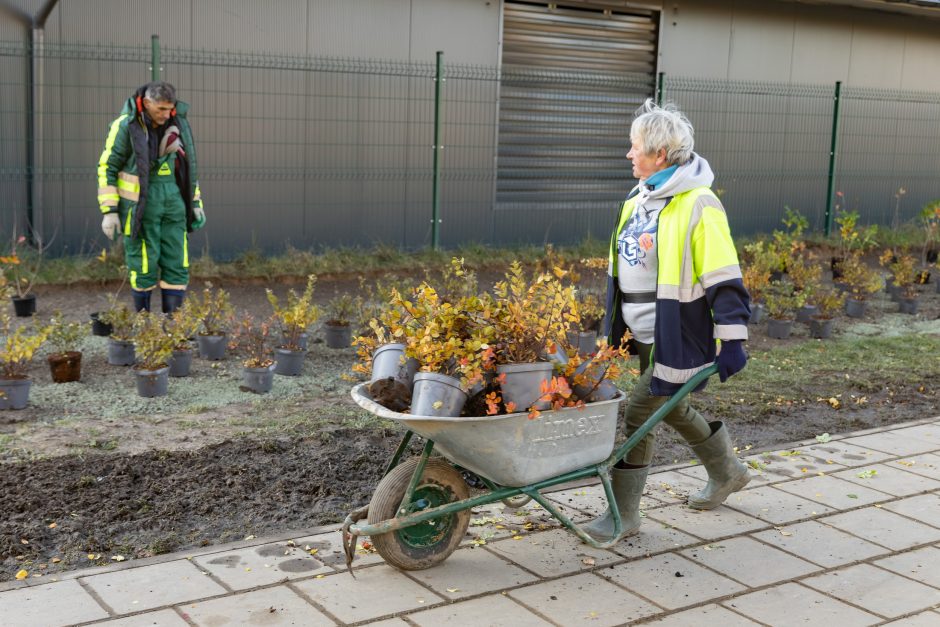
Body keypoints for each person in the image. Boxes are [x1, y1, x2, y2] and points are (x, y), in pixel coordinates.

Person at [586, 99, 751, 543]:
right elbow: (624, 267)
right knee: (671, 404)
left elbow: (723, 272)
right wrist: (613, 327)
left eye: (634, 146)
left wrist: (732, 338)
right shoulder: (638, 198)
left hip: (678, 330)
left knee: (642, 409)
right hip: (643, 328)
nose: (628, 154)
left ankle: (623, 513)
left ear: (660, 154)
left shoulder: (700, 203)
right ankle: (728, 471)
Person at [96, 81, 205, 314]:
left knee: (177, 263)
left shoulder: (180, 123)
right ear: (146, 104)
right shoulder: (125, 126)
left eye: (170, 108)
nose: (166, 115)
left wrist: (195, 203)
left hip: (175, 206)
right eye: (160, 110)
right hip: (141, 209)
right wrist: (110, 210)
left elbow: (189, 169)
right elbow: (108, 167)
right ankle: (145, 325)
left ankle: (172, 325)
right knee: (143, 264)